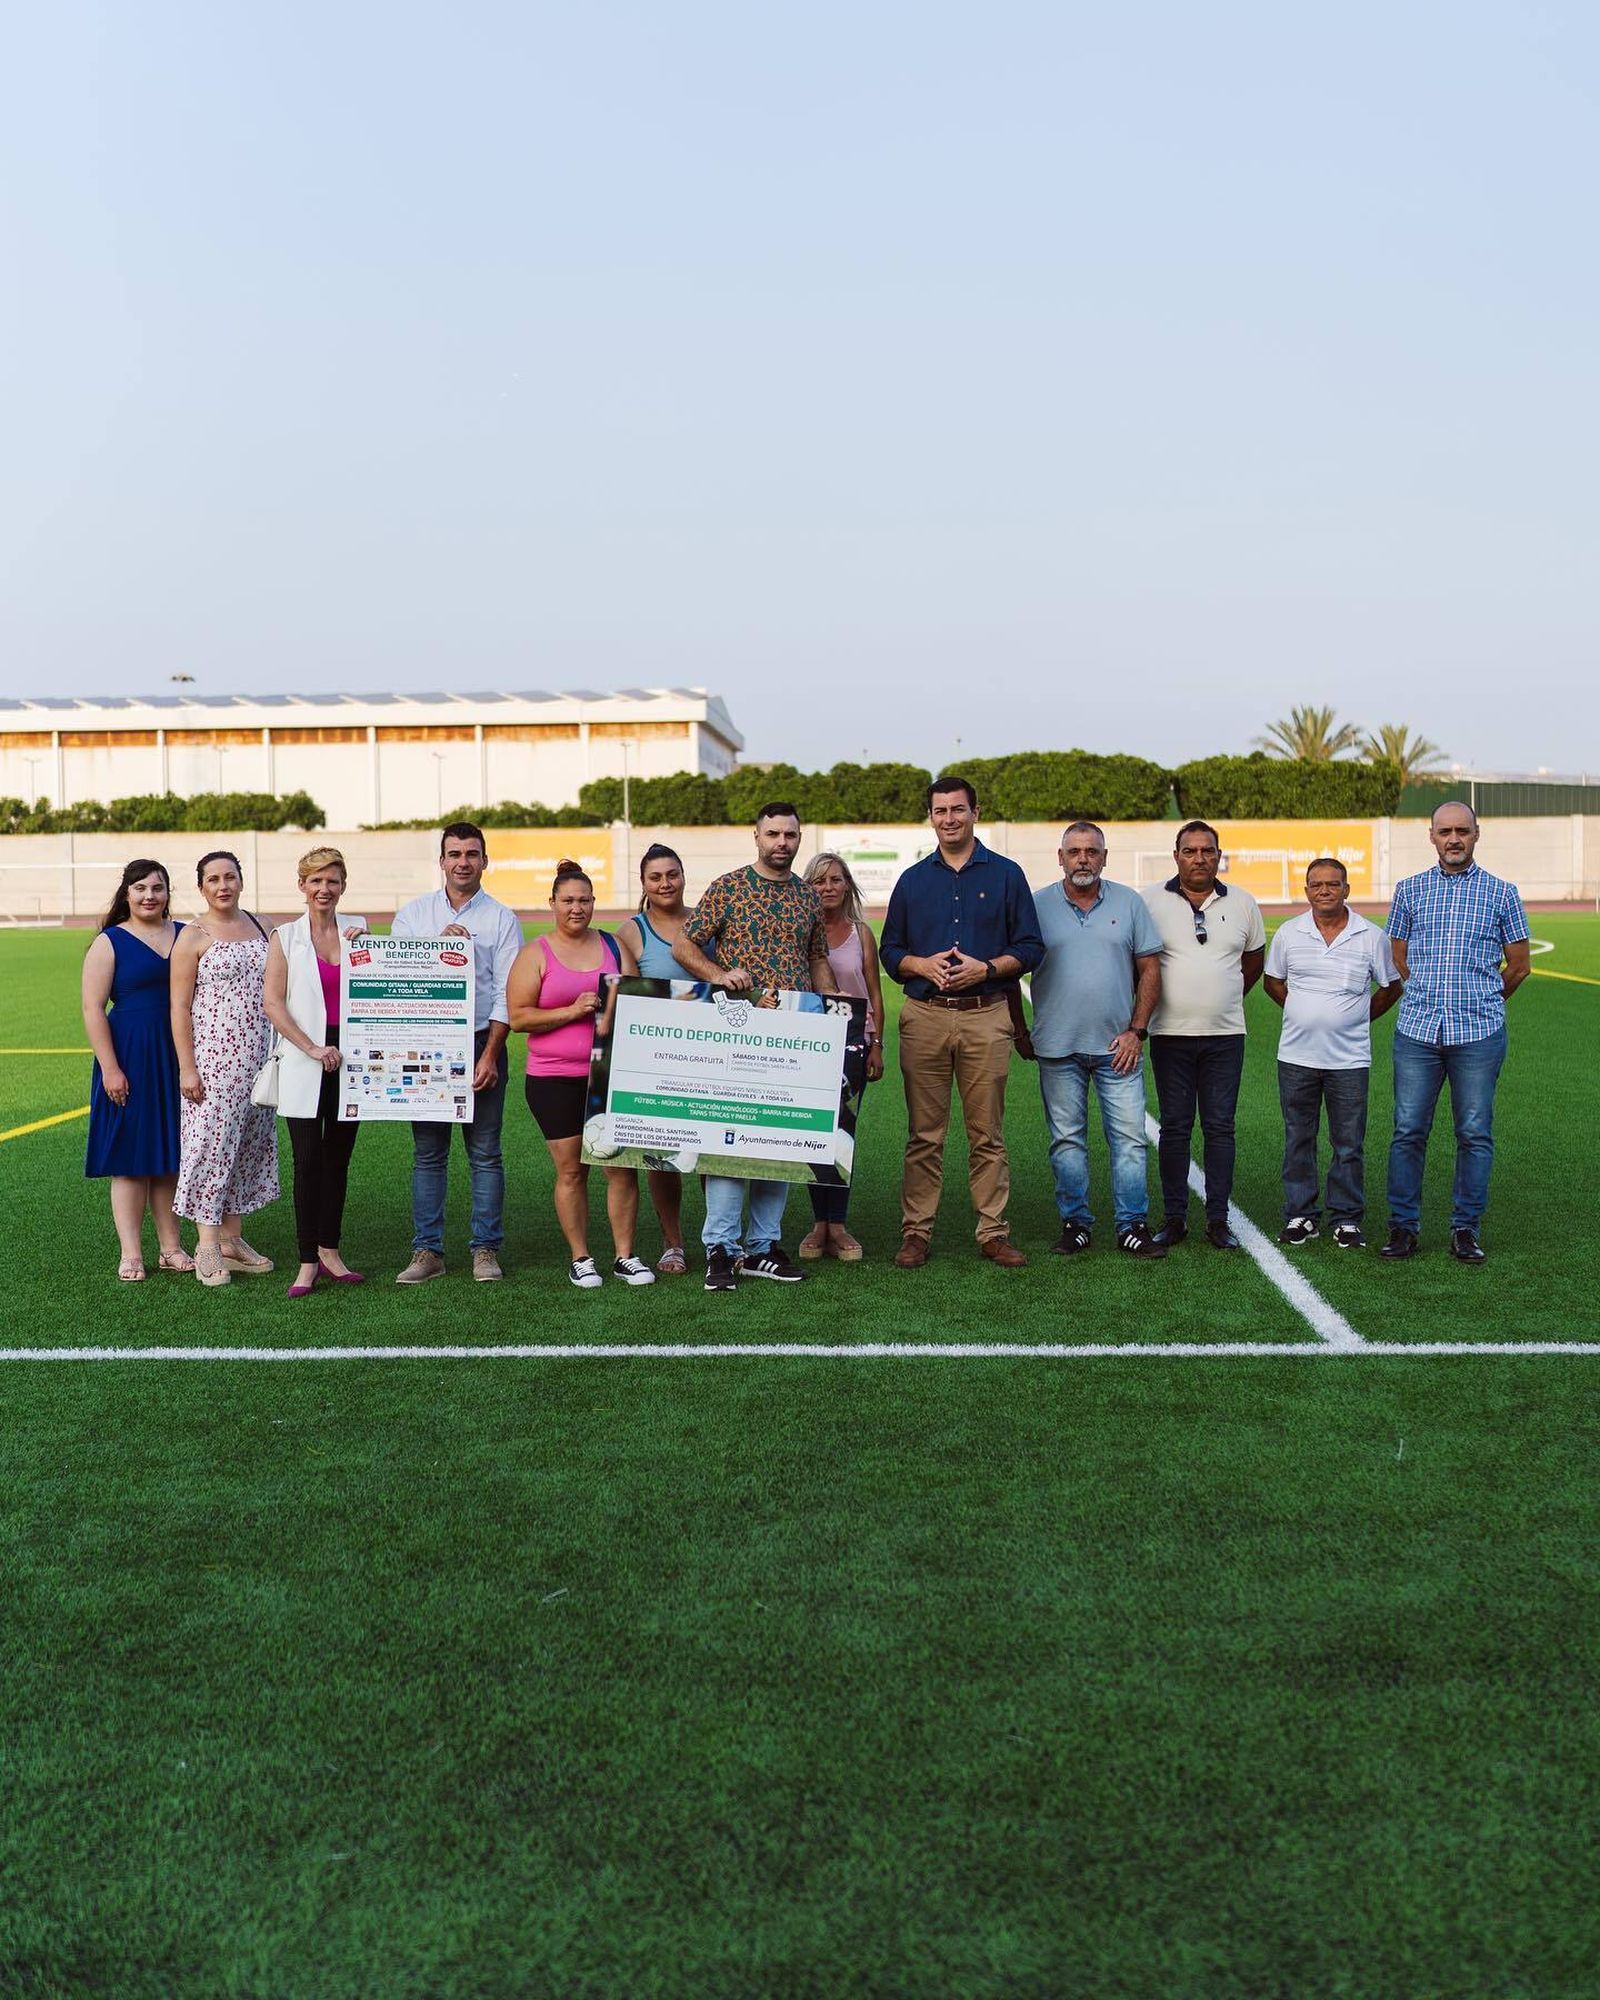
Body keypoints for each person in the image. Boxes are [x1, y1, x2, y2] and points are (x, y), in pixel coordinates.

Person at [672, 802, 840, 1291]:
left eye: (790, 834)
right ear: (757, 837)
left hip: (793, 1035)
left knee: (781, 1140)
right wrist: (719, 975)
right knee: (728, 1139)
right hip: (736, 1032)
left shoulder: (808, 897)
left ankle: (763, 1248)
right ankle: (721, 1249)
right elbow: (685, 946)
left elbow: (817, 959)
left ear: (799, 837)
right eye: (773, 834)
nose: (782, 842)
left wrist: (834, 1012)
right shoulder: (728, 887)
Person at [879, 775, 1044, 1270]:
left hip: (985, 1015)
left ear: (975, 812)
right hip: (925, 1017)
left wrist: (987, 968)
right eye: (939, 811)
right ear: (930, 817)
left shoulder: (1007, 875)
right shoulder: (912, 880)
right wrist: (920, 965)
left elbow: (1031, 947)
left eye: (957, 809)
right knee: (924, 1135)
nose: (949, 819)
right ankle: (916, 1233)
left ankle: (993, 1232)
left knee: (986, 1133)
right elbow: (890, 950)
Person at [1380, 803, 1530, 1263]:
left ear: (1476, 834)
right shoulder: (1410, 891)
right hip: (1418, 1032)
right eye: (1444, 831)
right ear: (1431, 836)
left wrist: (1481, 1001)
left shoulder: (1502, 893)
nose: (1453, 838)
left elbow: (1519, 965)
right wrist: (1427, 993)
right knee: (1408, 1130)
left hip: (1479, 1035)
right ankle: (1404, 1227)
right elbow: (1397, 957)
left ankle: (1465, 1228)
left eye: (1461, 830)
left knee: (1474, 1132)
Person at [507, 860, 655, 1290]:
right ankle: (581, 1257)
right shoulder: (536, 953)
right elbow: (518, 1017)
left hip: (609, 1073)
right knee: (572, 1170)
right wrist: (572, 1010)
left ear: (594, 903)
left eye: (585, 900)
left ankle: (625, 1256)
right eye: (568, 900)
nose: (577, 908)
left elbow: (638, 1002)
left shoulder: (613, 946)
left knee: (620, 1168)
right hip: (554, 1078)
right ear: (552, 903)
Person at [390, 822, 522, 1286]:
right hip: (425, 1046)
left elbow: (508, 992)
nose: (462, 861)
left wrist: (490, 1053)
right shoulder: (413, 915)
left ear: (485, 860)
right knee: (428, 1154)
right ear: (441, 861)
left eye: (471, 853)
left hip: (481, 1042)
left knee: (485, 1152)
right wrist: (435, 950)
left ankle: (485, 1249)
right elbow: (397, 986)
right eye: (454, 853)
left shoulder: (502, 919)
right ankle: (428, 1250)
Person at [1029, 822, 1166, 1258]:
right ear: (1060, 856)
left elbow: (1150, 970)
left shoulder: (1129, 903)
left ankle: (1132, 1225)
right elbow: (1012, 968)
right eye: (1075, 851)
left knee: (1128, 1139)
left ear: (1105, 858)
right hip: (1057, 1046)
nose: (1083, 859)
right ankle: (1076, 1224)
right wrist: (1021, 1029)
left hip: (1117, 1049)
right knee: (1067, 1141)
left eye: (1092, 851)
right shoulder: (1036, 906)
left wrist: (1136, 1031)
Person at [1263, 858, 1403, 1251]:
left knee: (1348, 1143)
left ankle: (1346, 1218)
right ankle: (1300, 1214)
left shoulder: (1370, 936)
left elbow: (1391, 987)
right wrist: (1301, 1012)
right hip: (1296, 1057)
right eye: (1316, 884)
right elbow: (1273, 982)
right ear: (1306, 891)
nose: (1324, 890)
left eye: (1333, 884)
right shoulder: (1289, 934)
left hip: (1349, 1060)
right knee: (1298, 1137)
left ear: (1347, 889)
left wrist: (1357, 1018)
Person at [1141, 821, 1267, 1249]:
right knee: (1174, 1127)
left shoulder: (1244, 903)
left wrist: (1222, 997)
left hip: (1225, 1036)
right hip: (1169, 1035)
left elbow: (1252, 964)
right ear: (1176, 855)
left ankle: (1218, 1219)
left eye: (1207, 851)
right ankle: (1174, 1218)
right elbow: (1138, 964)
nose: (1199, 858)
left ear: (1219, 855)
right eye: (1190, 851)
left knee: (1220, 1128)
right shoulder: (1150, 901)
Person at [170, 850, 280, 1287]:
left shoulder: (263, 926)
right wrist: (187, 1067)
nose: (223, 886)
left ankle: (233, 1240)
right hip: (214, 1062)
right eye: (213, 879)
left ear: (241, 880)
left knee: (248, 1146)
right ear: (202, 887)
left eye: (230, 877)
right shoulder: (192, 937)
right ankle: (208, 1245)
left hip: (260, 1059)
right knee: (210, 1146)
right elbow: (178, 1007)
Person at [263, 847, 368, 1299]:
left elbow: (376, 991)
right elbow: (273, 1003)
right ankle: (307, 1261)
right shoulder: (284, 937)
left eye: (333, 881)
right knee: (308, 1162)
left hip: (352, 1061)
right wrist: (312, 1047)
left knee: (338, 1160)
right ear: (302, 886)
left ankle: (330, 1250)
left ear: (343, 886)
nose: (324, 889)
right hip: (306, 1059)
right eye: (316, 881)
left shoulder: (359, 931)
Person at [82, 858, 193, 1280]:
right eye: (141, 888)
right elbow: (93, 1009)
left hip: (178, 1055)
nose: (150, 896)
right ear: (126, 893)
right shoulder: (110, 941)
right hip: (129, 1054)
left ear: (168, 894)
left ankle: (170, 1248)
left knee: (168, 1156)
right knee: (131, 1158)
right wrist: (111, 1068)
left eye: (158, 888)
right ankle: (131, 1253)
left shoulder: (186, 934)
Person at [797, 851, 886, 1260]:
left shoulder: (861, 933)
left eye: (835, 879)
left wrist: (877, 1044)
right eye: (818, 881)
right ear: (807, 887)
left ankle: (839, 1224)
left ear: (847, 884)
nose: (827, 888)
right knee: (814, 1134)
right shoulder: (797, 932)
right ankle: (820, 1224)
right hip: (808, 1047)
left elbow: (874, 993)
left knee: (842, 1134)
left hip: (854, 1046)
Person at [615, 841, 697, 1275]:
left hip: (710, 1053)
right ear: (644, 883)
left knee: (716, 1149)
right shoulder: (633, 931)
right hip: (659, 1057)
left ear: (684, 876)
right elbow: (627, 995)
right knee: (663, 1154)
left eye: (673, 874)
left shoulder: (707, 921)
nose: (666, 883)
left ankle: (723, 1240)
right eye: (656, 877)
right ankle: (673, 1243)